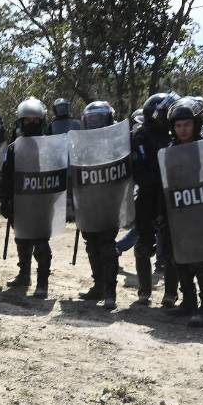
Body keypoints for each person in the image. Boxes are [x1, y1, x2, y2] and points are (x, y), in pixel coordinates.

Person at [163, 97, 203, 327]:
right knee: (179, 260)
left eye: (187, 124)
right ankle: (188, 303)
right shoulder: (170, 151)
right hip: (177, 213)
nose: (182, 129)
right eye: (178, 125)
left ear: (195, 124)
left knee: (200, 263)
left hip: (201, 213)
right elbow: (164, 185)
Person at [0, 97, 54, 297]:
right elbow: (7, 176)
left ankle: (42, 283)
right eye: (27, 120)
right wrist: (5, 200)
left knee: (40, 243)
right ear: (21, 122)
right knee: (22, 240)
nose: (31, 123)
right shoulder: (14, 147)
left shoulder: (51, 145)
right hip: (20, 203)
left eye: (35, 120)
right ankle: (24, 275)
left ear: (42, 121)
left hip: (42, 202)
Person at [131, 93, 179, 306]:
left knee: (171, 248)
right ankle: (144, 290)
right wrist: (156, 177)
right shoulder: (140, 136)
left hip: (170, 196)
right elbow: (138, 170)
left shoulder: (174, 135)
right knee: (143, 245)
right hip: (148, 196)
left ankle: (170, 293)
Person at [78, 100, 120, 307]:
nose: (95, 123)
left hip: (110, 202)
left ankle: (110, 292)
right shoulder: (82, 143)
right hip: (89, 201)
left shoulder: (117, 142)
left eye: (99, 119)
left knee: (107, 246)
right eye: (92, 119)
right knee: (92, 245)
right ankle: (99, 287)